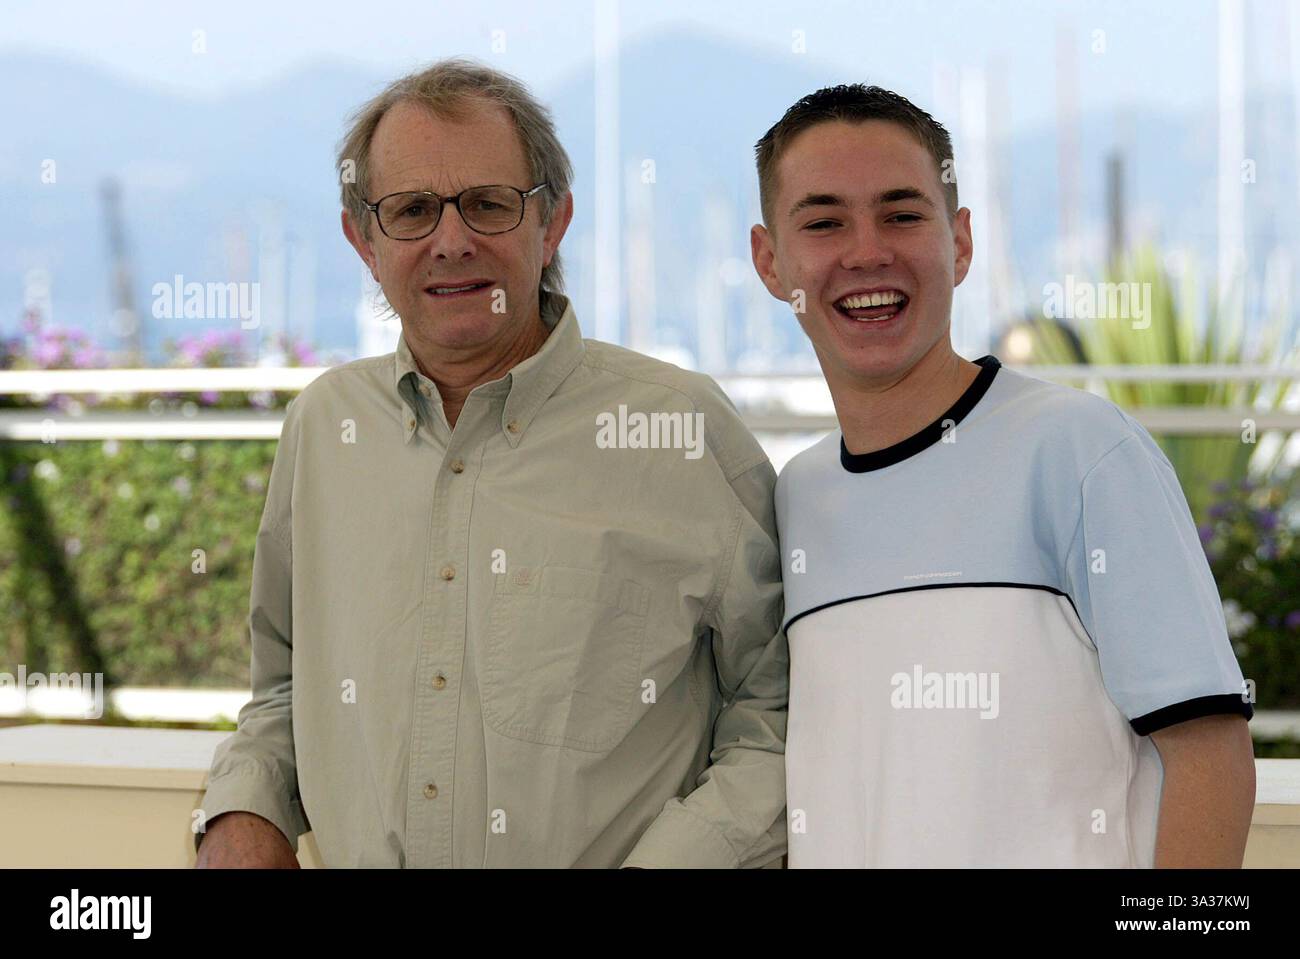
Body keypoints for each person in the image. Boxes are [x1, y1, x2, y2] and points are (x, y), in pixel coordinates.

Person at [194, 58, 788, 868]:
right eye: (410, 211)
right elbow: (284, 690)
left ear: (553, 224)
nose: (451, 241)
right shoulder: (324, 428)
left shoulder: (681, 430)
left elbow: (781, 709)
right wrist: (244, 810)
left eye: (487, 204)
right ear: (363, 242)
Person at [750, 83, 1256, 867]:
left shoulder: (1083, 452)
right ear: (769, 259)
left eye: (902, 213)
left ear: (960, 242)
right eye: (823, 222)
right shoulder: (794, 498)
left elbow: (1209, 753)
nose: (866, 251)